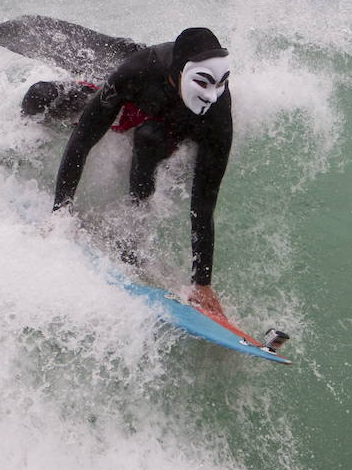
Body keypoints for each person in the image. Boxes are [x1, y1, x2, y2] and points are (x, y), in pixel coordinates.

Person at [26, 27, 233, 319]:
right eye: (204, 83)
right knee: (39, 95)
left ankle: (133, 240)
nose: (213, 95)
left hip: (171, 126)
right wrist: (61, 210)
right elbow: (82, 140)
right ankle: (20, 155)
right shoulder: (136, 71)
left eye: (221, 84)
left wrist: (202, 283)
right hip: (139, 104)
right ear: (179, 73)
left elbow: (203, 201)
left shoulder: (217, 109)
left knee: (149, 137)